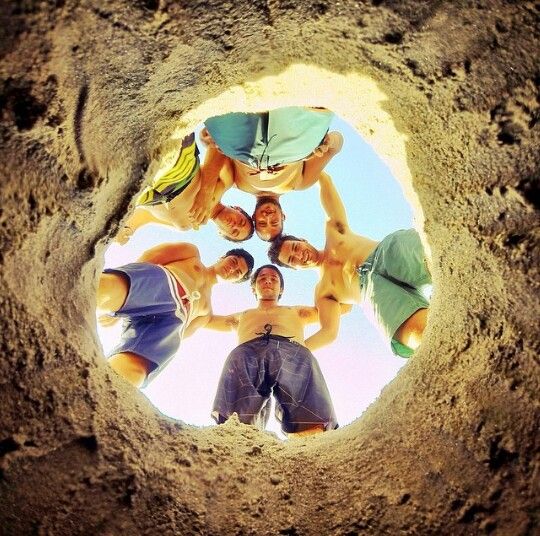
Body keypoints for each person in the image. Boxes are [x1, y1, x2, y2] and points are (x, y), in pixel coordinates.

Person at [268, 172, 431, 358]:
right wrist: (293, 352)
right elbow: (328, 332)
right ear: (295, 268)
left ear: (303, 240)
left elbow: (323, 180)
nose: (299, 255)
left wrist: (300, 170)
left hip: (385, 253)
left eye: (296, 247)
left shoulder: (334, 232)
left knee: (430, 257)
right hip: (372, 292)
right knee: (418, 334)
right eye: (292, 260)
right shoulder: (323, 291)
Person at [194, 265, 340, 437]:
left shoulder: (296, 311)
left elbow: (339, 307)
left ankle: (309, 434)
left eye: (274, 278)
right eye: (262, 278)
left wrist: (327, 288)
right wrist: (203, 286)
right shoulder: (241, 316)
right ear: (254, 287)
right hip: (248, 351)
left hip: (290, 348)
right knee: (238, 404)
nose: (268, 280)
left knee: (304, 384)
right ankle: (237, 434)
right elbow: (206, 318)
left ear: (281, 288)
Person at [96, 242, 254, 388]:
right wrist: (123, 305)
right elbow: (147, 260)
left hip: (170, 323)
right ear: (223, 257)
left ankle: (103, 387)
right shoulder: (191, 254)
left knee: (139, 367)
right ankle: (88, 288)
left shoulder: (206, 312)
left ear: (235, 281)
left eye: (238, 273)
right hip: (161, 285)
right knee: (107, 290)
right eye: (233, 262)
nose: (232, 269)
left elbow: (234, 322)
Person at [201, 107, 344, 241]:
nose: (268, 217)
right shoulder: (300, 183)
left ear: (253, 217)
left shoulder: (235, 183)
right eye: (275, 222)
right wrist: (329, 141)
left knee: (226, 132)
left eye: (262, 223)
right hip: (290, 147)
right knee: (309, 127)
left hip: (247, 149)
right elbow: (335, 148)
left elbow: (217, 152)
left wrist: (212, 140)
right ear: (283, 216)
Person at [116, 132, 254, 244]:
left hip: (144, 196)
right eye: (241, 222)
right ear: (238, 209)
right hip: (178, 172)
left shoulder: (185, 226)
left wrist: (128, 229)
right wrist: (205, 192)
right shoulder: (225, 183)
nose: (234, 225)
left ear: (222, 233)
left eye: (234, 232)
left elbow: (147, 217)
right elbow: (219, 145)